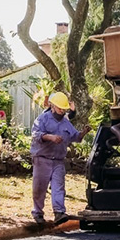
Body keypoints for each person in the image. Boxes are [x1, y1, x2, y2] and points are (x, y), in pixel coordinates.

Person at [30, 91, 90, 225]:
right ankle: (38, 213)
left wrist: (83, 133)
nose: (62, 111)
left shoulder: (66, 122)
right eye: (59, 108)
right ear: (52, 106)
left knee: (58, 187)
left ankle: (59, 212)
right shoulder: (42, 119)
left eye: (64, 109)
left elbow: (75, 137)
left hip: (58, 160)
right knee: (39, 187)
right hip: (42, 159)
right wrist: (50, 137)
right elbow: (36, 134)